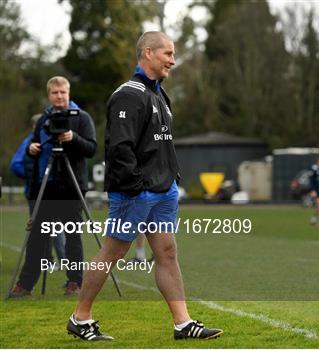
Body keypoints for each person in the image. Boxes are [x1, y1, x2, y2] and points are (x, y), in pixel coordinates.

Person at [67, 31, 222, 341]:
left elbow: (162, 144)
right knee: (114, 251)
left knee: (167, 253)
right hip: (135, 192)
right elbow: (119, 148)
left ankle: (183, 323)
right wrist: (137, 187)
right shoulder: (128, 94)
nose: (173, 60)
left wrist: (172, 180)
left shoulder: (161, 95)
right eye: (168, 53)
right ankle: (80, 318)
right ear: (148, 53)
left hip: (163, 192)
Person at [9, 76, 97, 297]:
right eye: (55, 93)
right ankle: (25, 284)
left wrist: (73, 138)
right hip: (46, 185)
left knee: (72, 236)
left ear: (69, 93)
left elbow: (91, 149)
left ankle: (75, 281)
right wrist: (32, 148)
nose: (59, 96)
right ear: (49, 95)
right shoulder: (43, 119)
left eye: (63, 93)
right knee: (38, 236)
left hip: (72, 184)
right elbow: (35, 143)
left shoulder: (82, 118)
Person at [10, 114, 67, 267]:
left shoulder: (47, 140)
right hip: (35, 190)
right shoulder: (30, 142)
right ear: (35, 127)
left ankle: (51, 260)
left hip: (49, 189)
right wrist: (31, 176)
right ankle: (52, 260)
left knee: (50, 225)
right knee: (46, 226)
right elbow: (15, 164)